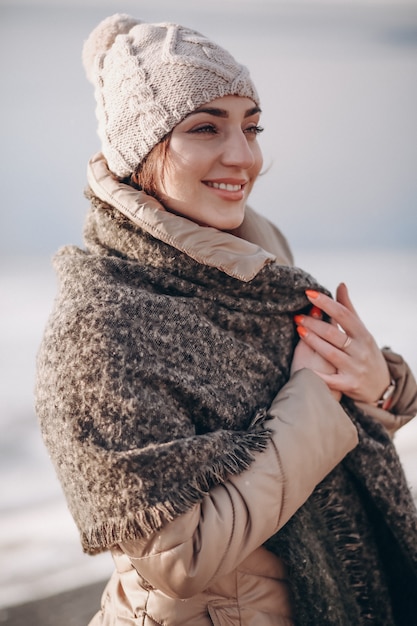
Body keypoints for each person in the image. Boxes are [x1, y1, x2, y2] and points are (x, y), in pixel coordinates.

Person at [35, 13, 417, 626]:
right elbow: (179, 559)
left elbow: (323, 441)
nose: (244, 156)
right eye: (206, 128)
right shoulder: (102, 324)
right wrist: (316, 395)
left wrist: (376, 386)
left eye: (251, 126)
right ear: (140, 149)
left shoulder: (259, 269)